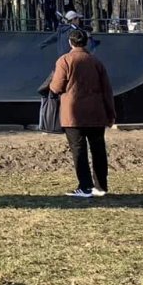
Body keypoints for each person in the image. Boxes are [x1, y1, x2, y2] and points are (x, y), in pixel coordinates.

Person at [48, 30, 117, 199]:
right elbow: (107, 90)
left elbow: (56, 87)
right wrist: (111, 114)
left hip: (73, 115)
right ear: (86, 43)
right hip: (96, 113)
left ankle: (85, 186)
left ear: (70, 43)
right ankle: (101, 186)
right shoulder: (96, 62)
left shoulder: (65, 60)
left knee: (79, 151)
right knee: (98, 149)